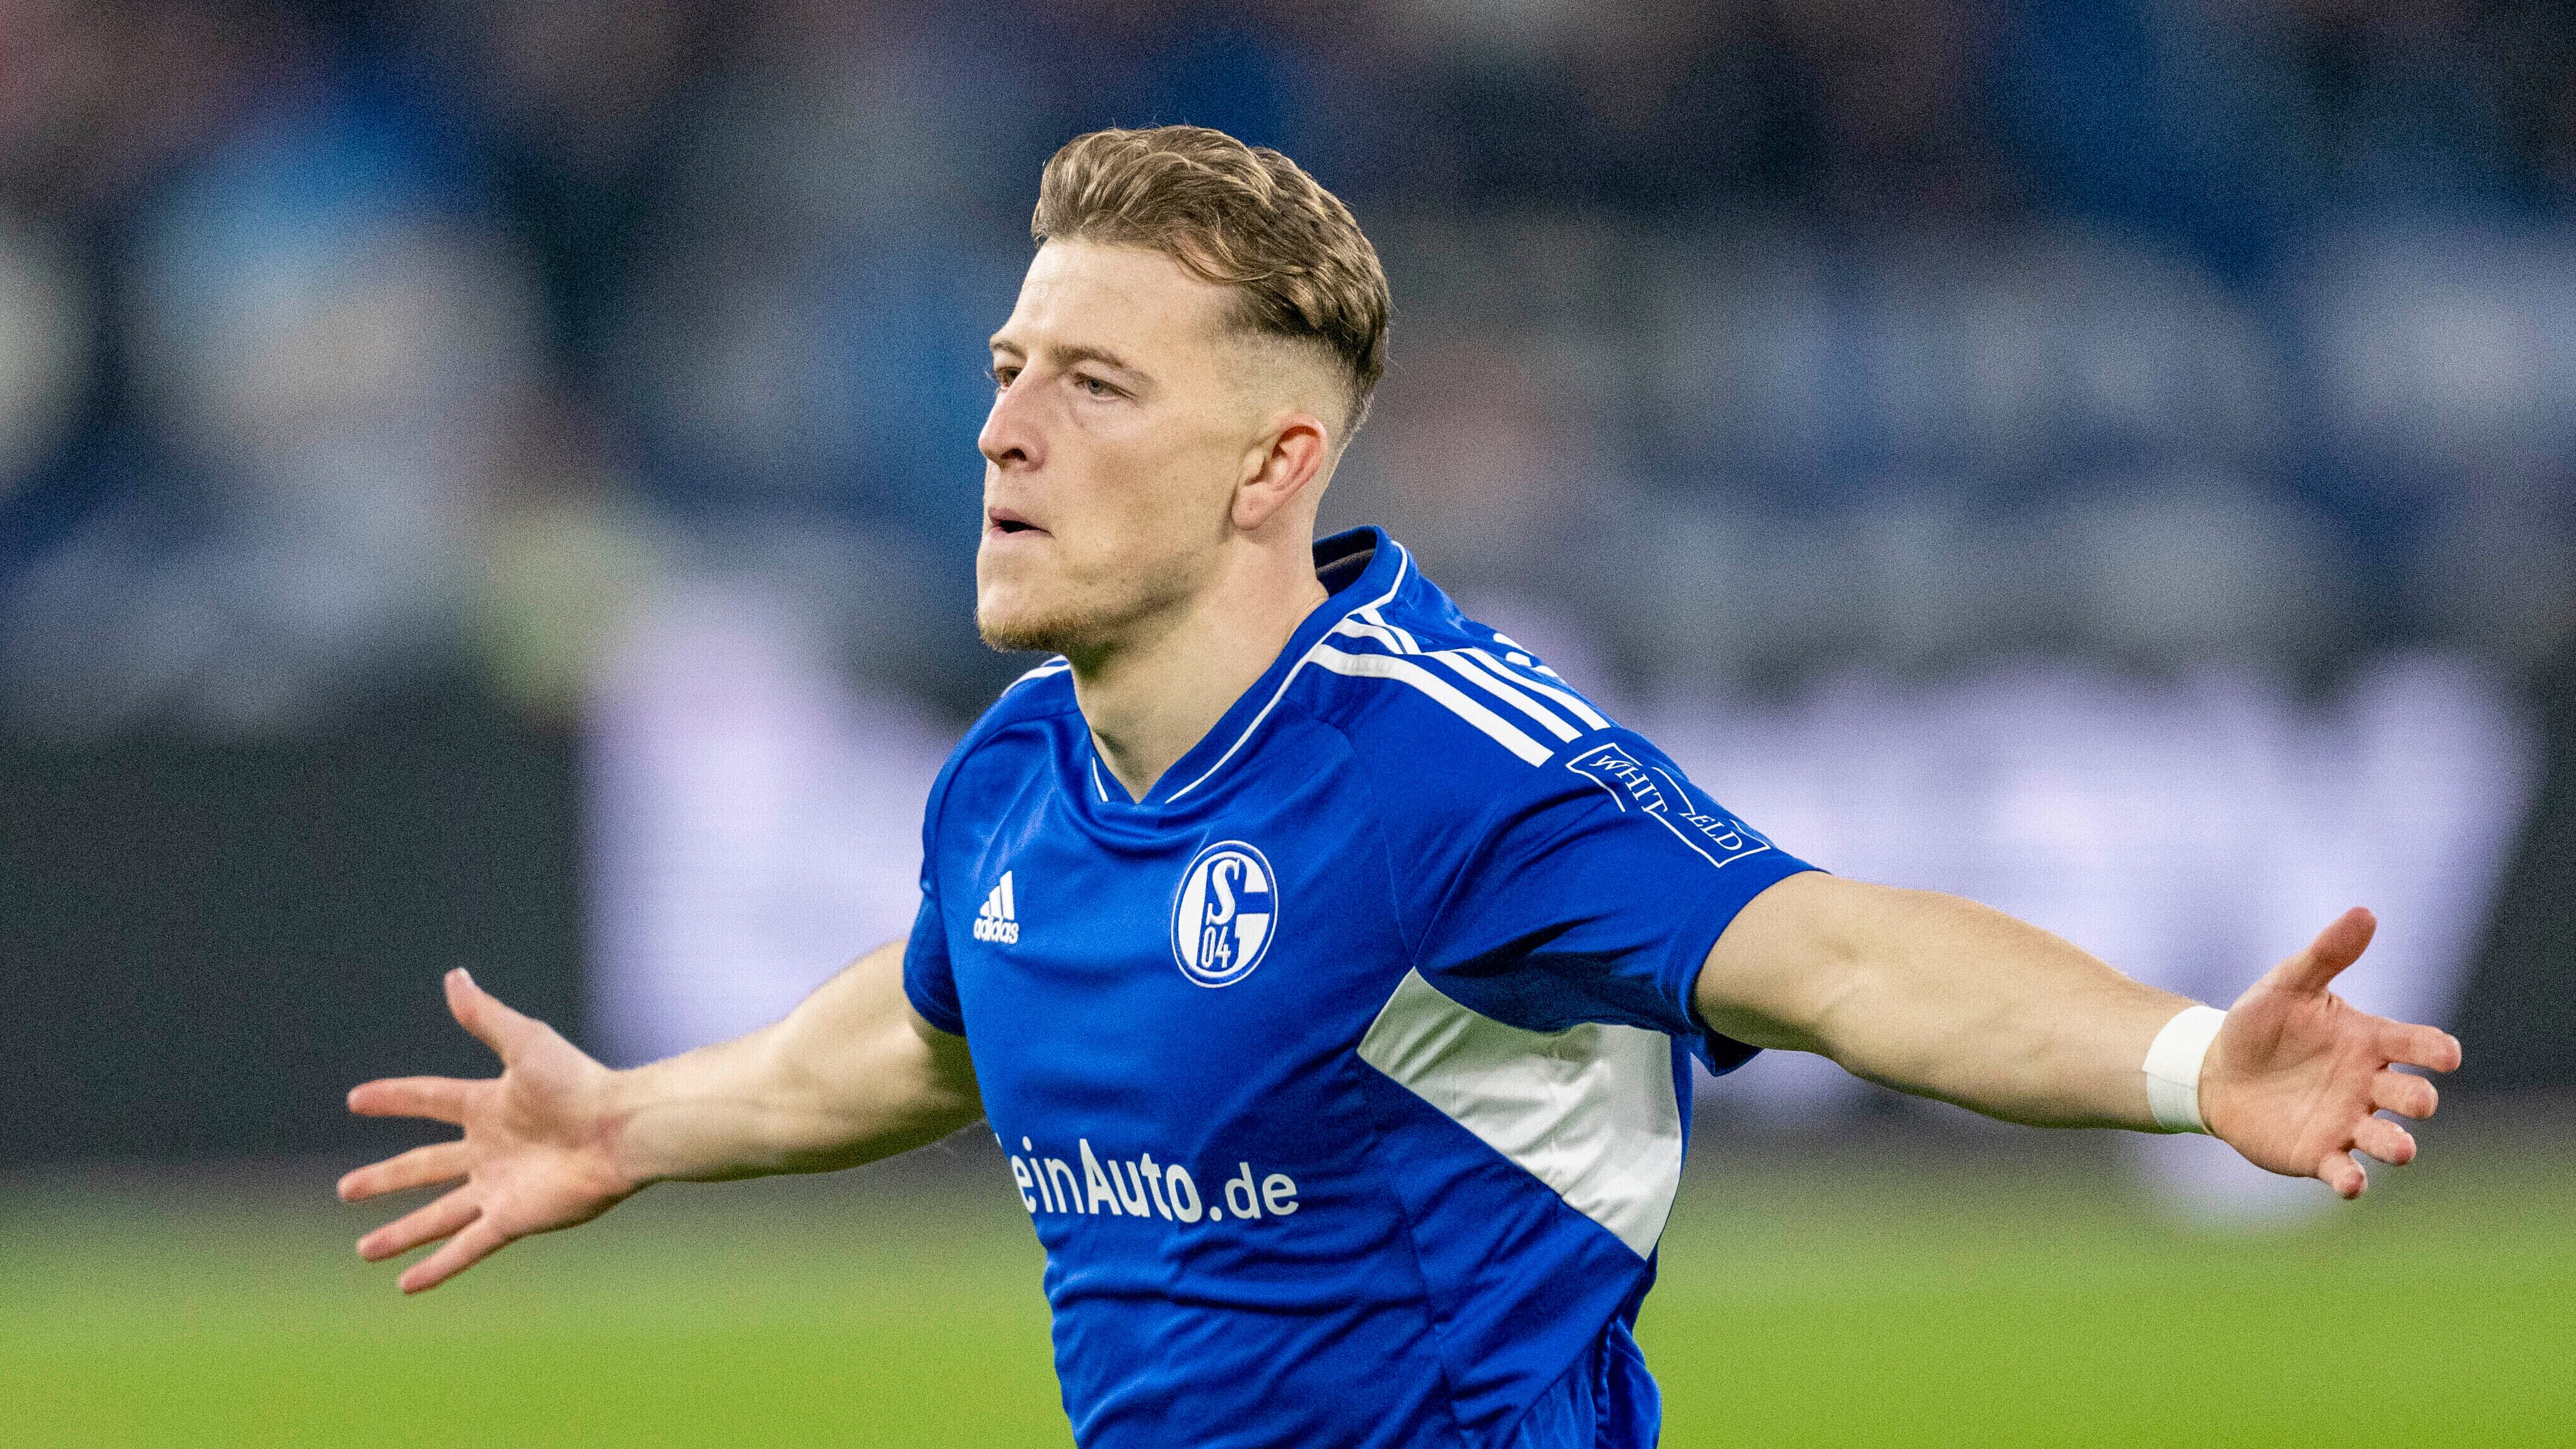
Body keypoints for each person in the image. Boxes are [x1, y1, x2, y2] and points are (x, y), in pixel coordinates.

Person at [340, 127, 2461, 1449]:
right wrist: (634, 1122)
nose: (1004, 430)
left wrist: (2188, 1058)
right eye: (1007, 370)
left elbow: (1835, 954)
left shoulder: (1447, 770)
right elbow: (926, 1034)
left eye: (1093, 384)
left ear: (1274, 462)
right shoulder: (1015, 772)